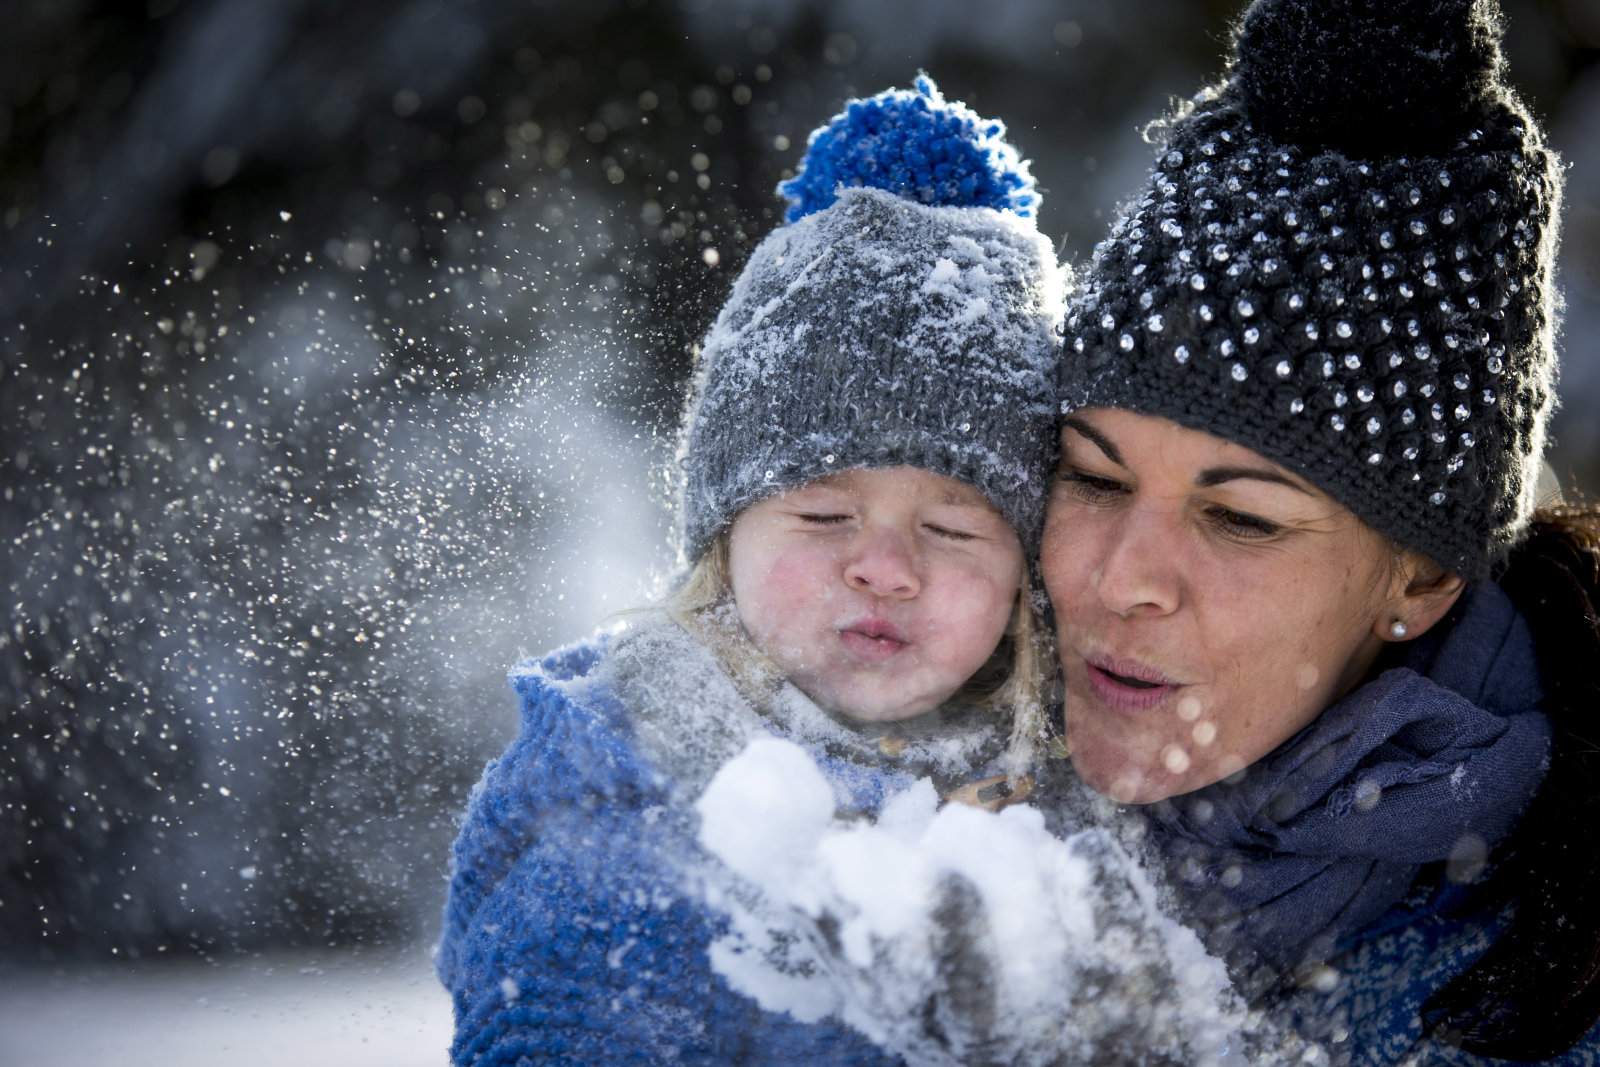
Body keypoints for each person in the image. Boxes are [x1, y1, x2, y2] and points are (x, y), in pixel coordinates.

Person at [433, 78, 1067, 1065]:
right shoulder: (616, 795)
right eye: (822, 512)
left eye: (951, 527)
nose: (886, 567)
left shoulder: (1072, 784)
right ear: (726, 535)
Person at [1045, 0, 1600, 1061]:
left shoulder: (1534, 999)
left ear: (1422, 578)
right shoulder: (879, 747)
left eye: (1241, 517)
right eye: (1092, 478)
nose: (1124, 579)